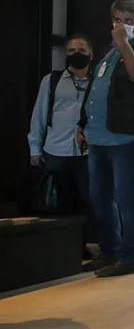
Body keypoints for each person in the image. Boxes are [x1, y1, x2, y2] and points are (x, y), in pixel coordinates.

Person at [80, 0, 134, 276]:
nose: (121, 26)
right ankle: (109, 251)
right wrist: (83, 124)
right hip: (98, 136)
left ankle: (131, 256)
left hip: (128, 137)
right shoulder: (109, 52)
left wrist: (124, 43)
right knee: (100, 196)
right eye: (117, 20)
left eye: (128, 21)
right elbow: (97, 89)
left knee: (127, 196)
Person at [28, 34, 95, 258]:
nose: (77, 54)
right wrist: (35, 148)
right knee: (57, 201)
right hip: (55, 149)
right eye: (71, 51)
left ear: (91, 54)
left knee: (87, 200)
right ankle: (55, 249)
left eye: (82, 50)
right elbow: (39, 114)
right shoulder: (52, 80)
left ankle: (80, 246)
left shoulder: (99, 81)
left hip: (87, 151)